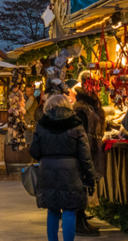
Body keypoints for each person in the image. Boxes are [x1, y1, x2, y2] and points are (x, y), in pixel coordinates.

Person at [30, 95, 97, 241]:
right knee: (69, 209)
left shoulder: (42, 125)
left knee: (53, 210)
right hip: (71, 173)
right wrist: (91, 178)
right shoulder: (76, 125)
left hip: (47, 171)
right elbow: (85, 155)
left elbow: (34, 152)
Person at [71, 90, 106, 236]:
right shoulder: (81, 110)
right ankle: (79, 221)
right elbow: (82, 133)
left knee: (85, 185)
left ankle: (82, 218)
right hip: (84, 151)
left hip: (88, 149)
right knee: (82, 184)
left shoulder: (88, 108)